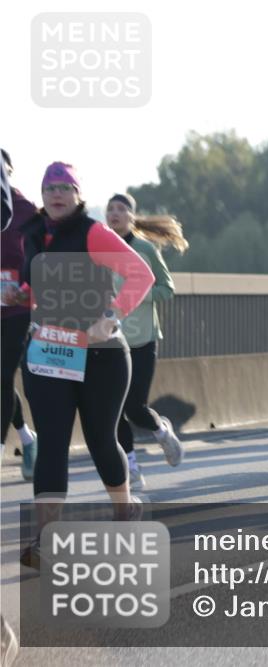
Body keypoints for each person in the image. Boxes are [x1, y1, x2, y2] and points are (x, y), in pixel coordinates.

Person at [11, 162, 153, 567]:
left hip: (101, 354)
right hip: (50, 351)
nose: (56, 194)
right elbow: (38, 287)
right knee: (52, 444)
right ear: (42, 195)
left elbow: (140, 276)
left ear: (77, 195)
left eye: (65, 187)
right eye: (50, 188)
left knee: (100, 440)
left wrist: (110, 318)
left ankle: (125, 509)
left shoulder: (93, 232)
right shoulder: (34, 234)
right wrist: (20, 295)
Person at [105, 193, 185, 489]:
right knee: (113, 410)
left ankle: (162, 432)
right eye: (110, 209)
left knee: (135, 408)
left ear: (131, 216)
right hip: (110, 340)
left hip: (143, 339)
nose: (114, 213)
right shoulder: (99, 249)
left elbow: (167, 288)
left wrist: (136, 295)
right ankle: (131, 469)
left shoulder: (145, 249)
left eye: (121, 209)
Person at [1, 149, 38, 479]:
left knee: (2, 377)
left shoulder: (25, 210)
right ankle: (27, 438)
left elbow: (39, 260)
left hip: (16, 308)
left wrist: (25, 289)